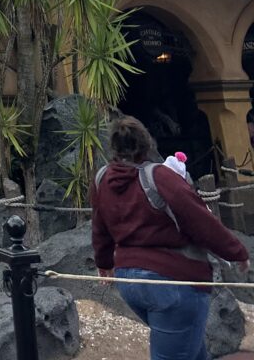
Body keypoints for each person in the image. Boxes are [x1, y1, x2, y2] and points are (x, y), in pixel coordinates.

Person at [92, 116, 249, 360]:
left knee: (191, 350)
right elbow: (200, 221)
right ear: (147, 144)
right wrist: (236, 252)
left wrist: (104, 264)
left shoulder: (102, 179)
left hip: (129, 281)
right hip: (173, 283)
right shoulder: (160, 176)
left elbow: (99, 227)